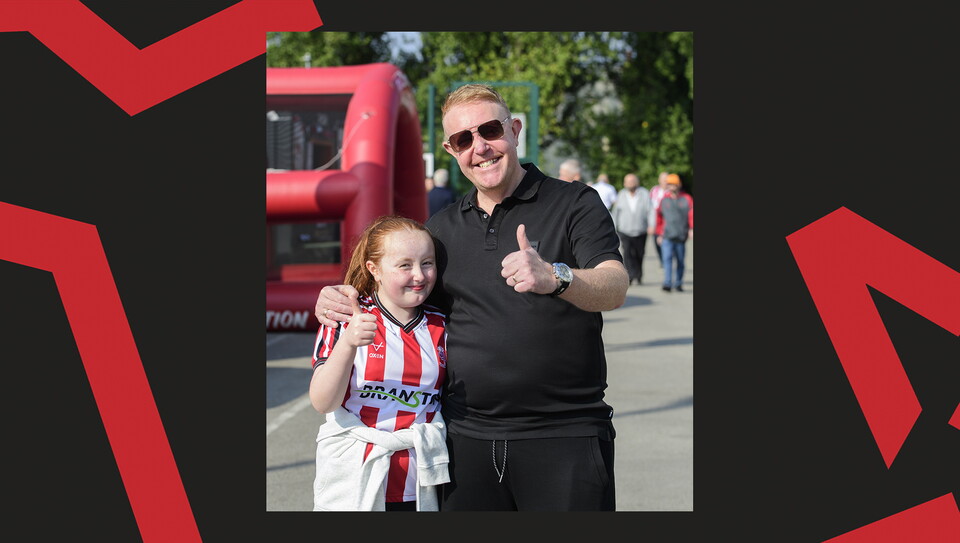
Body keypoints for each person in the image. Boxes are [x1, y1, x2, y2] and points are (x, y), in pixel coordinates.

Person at [315, 84, 628, 511]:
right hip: (463, 442)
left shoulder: (575, 203)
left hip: (562, 434)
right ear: (451, 149)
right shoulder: (440, 229)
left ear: (515, 130)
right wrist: (339, 295)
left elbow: (614, 286)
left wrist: (556, 276)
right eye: (464, 139)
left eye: (491, 130)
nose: (480, 147)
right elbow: (400, 294)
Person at [309, 215, 450, 511]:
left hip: (421, 484)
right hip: (354, 481)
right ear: (375, 270)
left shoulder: (443, 325)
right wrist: (347, 343)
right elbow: (323, 402)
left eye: (427, 263)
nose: (419, 275)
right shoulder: (344, 318)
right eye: (404, 265)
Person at [653, 174, 694, 292]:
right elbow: (659, 218)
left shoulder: (686, 199)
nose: (672, 187)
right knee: (667, 259)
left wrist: (691, 229)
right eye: (669, 184)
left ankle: (679, 283)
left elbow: (691, 215)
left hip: (681, 235)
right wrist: (659, 234)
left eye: (674, 184)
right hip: (667, 236)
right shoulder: (664, 200)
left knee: (680, 261)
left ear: (679, 185)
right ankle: (667, 283)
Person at [611, 173, 652, 285]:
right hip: (625, 230)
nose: (630, 184)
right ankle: (630, 275)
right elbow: (616, 212)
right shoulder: (621, 194)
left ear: (636, 182)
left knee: (639, 253)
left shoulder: (644, 193)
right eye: (627, 182)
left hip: (641, 229)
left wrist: (651, 225)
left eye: (632, 181)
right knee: (627, 253)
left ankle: (638, 275)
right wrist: (614, 227)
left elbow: (650, 210)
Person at [647, 171, 670, 266]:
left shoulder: (670, 191)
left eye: (666, 179)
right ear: (659, 180)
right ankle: (662, 259)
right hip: (655, 220)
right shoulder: (654, 190)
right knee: (656, 242)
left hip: (667, 220)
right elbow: (648, 205)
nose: (665, 181)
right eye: (663, 179)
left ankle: (667, 260)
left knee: (666, 242)